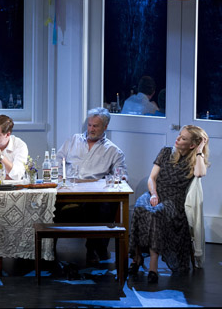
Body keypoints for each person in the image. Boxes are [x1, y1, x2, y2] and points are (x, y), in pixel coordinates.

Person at [128, 125, 208, 283]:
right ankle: (136, 258)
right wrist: (154, 194)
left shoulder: (196, 160)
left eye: (183, 138)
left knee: (155, 213)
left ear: (192, 144)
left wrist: (200, 149)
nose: (177, 139)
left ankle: (153, 267)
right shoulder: (165, 152)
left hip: (174, 200)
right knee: (139, 207)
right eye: (179, 135)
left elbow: (199, 173)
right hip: (155, 193)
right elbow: (152, 178)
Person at [56, 107, 128, 265]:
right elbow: (57, 161)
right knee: (46, 201)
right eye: (89, 125)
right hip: (69, 188)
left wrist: (105, 182)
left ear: (105, 127)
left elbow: (122, 176)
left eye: (95, 126)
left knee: (104, 204)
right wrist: (60, 176)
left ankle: (93, 249)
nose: (91, 129)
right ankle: (47, 250)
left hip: (93, 191)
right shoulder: (73, 140)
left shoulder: (114, 151)